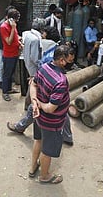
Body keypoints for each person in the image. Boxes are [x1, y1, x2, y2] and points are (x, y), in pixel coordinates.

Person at [29, 45, 75, 184]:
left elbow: (33, 84)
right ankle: (44, 176)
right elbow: (50, 108)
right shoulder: (60, 81)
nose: (71, 63)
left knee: (38, 140)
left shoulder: (44, 67)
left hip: (38, 117)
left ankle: (33, 168)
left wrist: (34, 102)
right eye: (69, 60)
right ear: (61, 60)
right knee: (47, 151)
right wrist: (40, 105)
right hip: (52, 122)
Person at [0, 8, 21, 101]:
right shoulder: (4, 27)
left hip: (15, 52)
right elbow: (8, 41)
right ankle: (4, 92)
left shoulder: (13, 26)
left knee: (11, 73)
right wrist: (12, 28)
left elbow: (15, 37)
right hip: (8, 54)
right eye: (16, 19)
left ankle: (9, 89)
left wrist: (20, 41)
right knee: (7, 74)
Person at [0, 6, 16, 89]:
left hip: (9, 49)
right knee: (2, 64)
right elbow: (7, 40)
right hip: (3, 47)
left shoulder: (11, 24)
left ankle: (7, 84)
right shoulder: (3, 25)